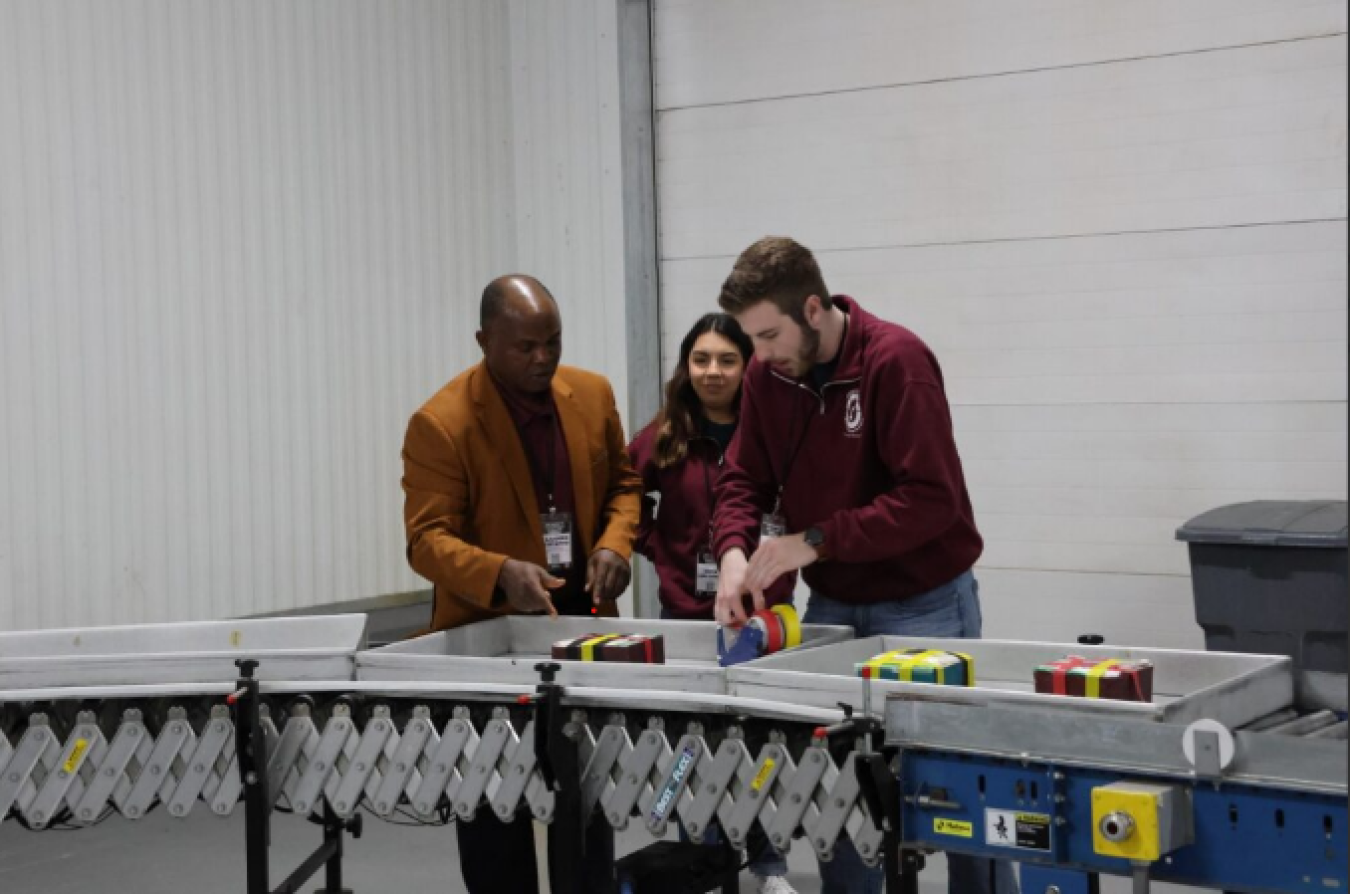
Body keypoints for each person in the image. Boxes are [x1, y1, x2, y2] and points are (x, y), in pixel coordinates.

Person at [710, 237, 1020, 894]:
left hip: (925, 607)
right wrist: (734, 552)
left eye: (768, 335)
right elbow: (742, 477)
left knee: (957, 796)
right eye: (751, 339)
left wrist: (816, 540)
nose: (758, 356)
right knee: (843, 800)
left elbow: (930, 499)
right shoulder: (769, 378)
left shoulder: (896, 363)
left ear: (812, 309)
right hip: (835, 609)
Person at [402, 273, 642, 894]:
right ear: (484, 341)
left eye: (553, 342)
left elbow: (624, 486)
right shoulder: (441, 423)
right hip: (487, 648)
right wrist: (499, 573)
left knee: (587, 814)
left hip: (582, 636)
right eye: (525, 347)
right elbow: (426, 540)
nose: (543, 358)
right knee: (493, 825)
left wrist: (615, 543)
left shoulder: (592, 394)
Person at [627, 313, 796, 894]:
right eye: (701, 359)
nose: (713, 372)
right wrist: (659, 548)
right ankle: (699, 867)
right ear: (686, 365)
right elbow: (622, 494)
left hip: (763, 622)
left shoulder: (772, 430)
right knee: (692, 752)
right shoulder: (665, 435)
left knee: (763, 748)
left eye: (727, 359)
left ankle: (769, 869)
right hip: (688, 617)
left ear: (748, 366)